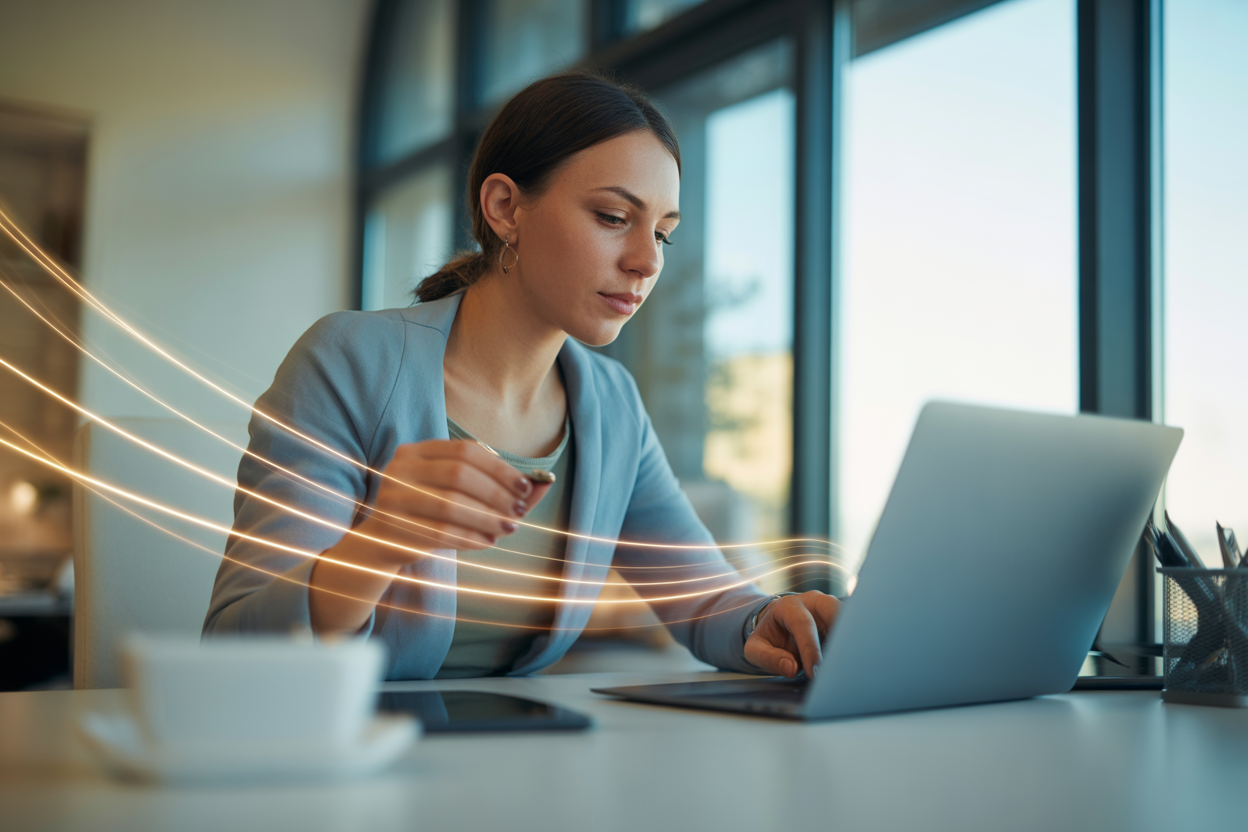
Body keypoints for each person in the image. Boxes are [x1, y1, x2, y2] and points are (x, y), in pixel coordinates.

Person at [203, 72, 838, 680]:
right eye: (613, 217)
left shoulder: (611, 403)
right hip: (352, 746)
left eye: (663, 235)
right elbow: (237, 643)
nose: (647, 261)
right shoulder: (349, 361)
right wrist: (382, 540)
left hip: (522, 745)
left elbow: (703, 597)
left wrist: (771, 620)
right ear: (505, 207)